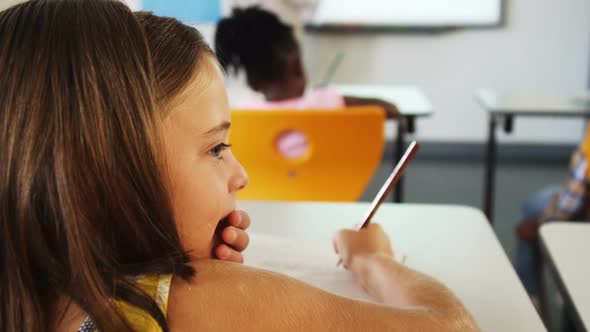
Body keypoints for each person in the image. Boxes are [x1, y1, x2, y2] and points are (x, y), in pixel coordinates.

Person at [0, 1, 477, 331]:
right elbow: (451, 328)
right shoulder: (185, 305)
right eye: (216, 148)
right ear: (106, 177)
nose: (240, 174)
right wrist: (373, 259)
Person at [215, 6, 400, 118]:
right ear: (296, 65)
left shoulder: (243, 112)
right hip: (335, 184)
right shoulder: (325, 102)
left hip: (265, 185)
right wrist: (327, 95)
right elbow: (390, 109)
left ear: (251, 83)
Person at [515, 122, 590, 299]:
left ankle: (529, 295)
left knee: (528, 223)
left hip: (579, 207)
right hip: (576, 197)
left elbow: (572, 202)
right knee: (533, 203)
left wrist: (544, 223)